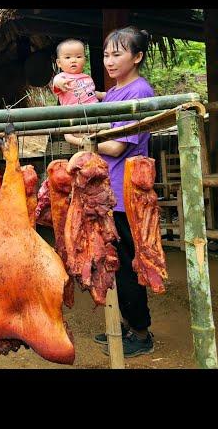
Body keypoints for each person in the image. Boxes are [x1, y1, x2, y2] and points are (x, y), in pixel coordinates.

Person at [64, 26, 155, 357]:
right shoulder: (116, 91)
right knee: (109, 261)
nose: (110, 60)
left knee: (127, 263)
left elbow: (116, 147)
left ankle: (141, 333)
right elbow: (101, 101)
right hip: (108, 192)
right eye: (106, 54)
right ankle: (127, 326)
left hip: (125, 192)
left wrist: (76, 141)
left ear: (138, 56)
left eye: (118, 54)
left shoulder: (139, 91)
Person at [52, 38, 105, 105]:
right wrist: (60, 82)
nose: (73, 60)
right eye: (68, 57)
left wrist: (103, 95)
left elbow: (90, 93)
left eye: (78, 57)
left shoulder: (87, 77)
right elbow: (56, 81)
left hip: (94, 110)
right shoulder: (62, 77)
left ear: (84, 61)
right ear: (59, 63)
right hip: (75, 113)